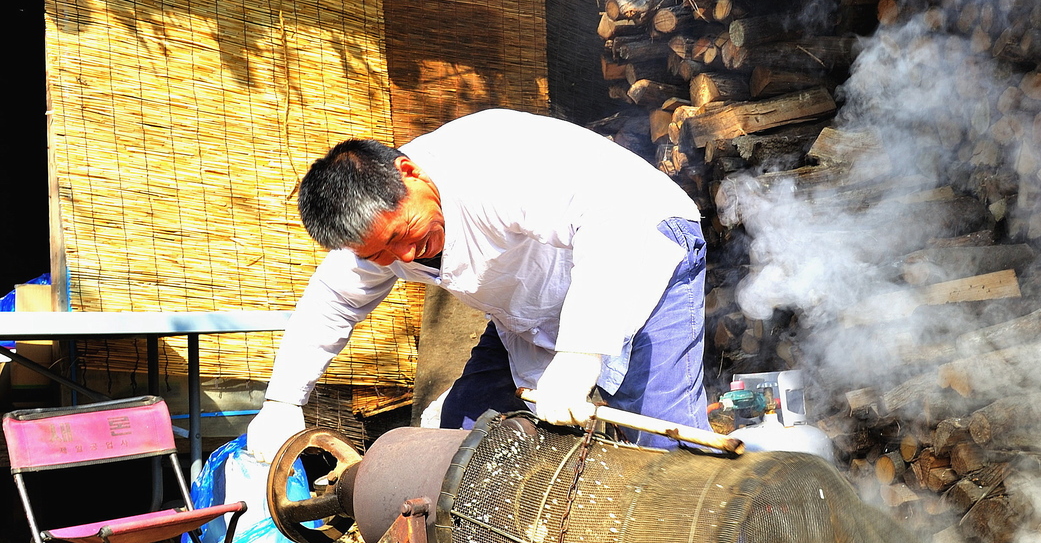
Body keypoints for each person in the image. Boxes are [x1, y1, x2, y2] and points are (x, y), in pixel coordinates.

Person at [246, 109, 711, 460]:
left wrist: (579, 354)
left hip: (643, 247)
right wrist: (282, 401)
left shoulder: (492, 159)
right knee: (465, 435)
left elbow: (613, 219)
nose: (403, 258)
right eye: (379, 255)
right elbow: (329, 304)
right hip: (537, 305)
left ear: (408, 173)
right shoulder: (375, 234)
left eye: (401, 235)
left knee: (665, 443)